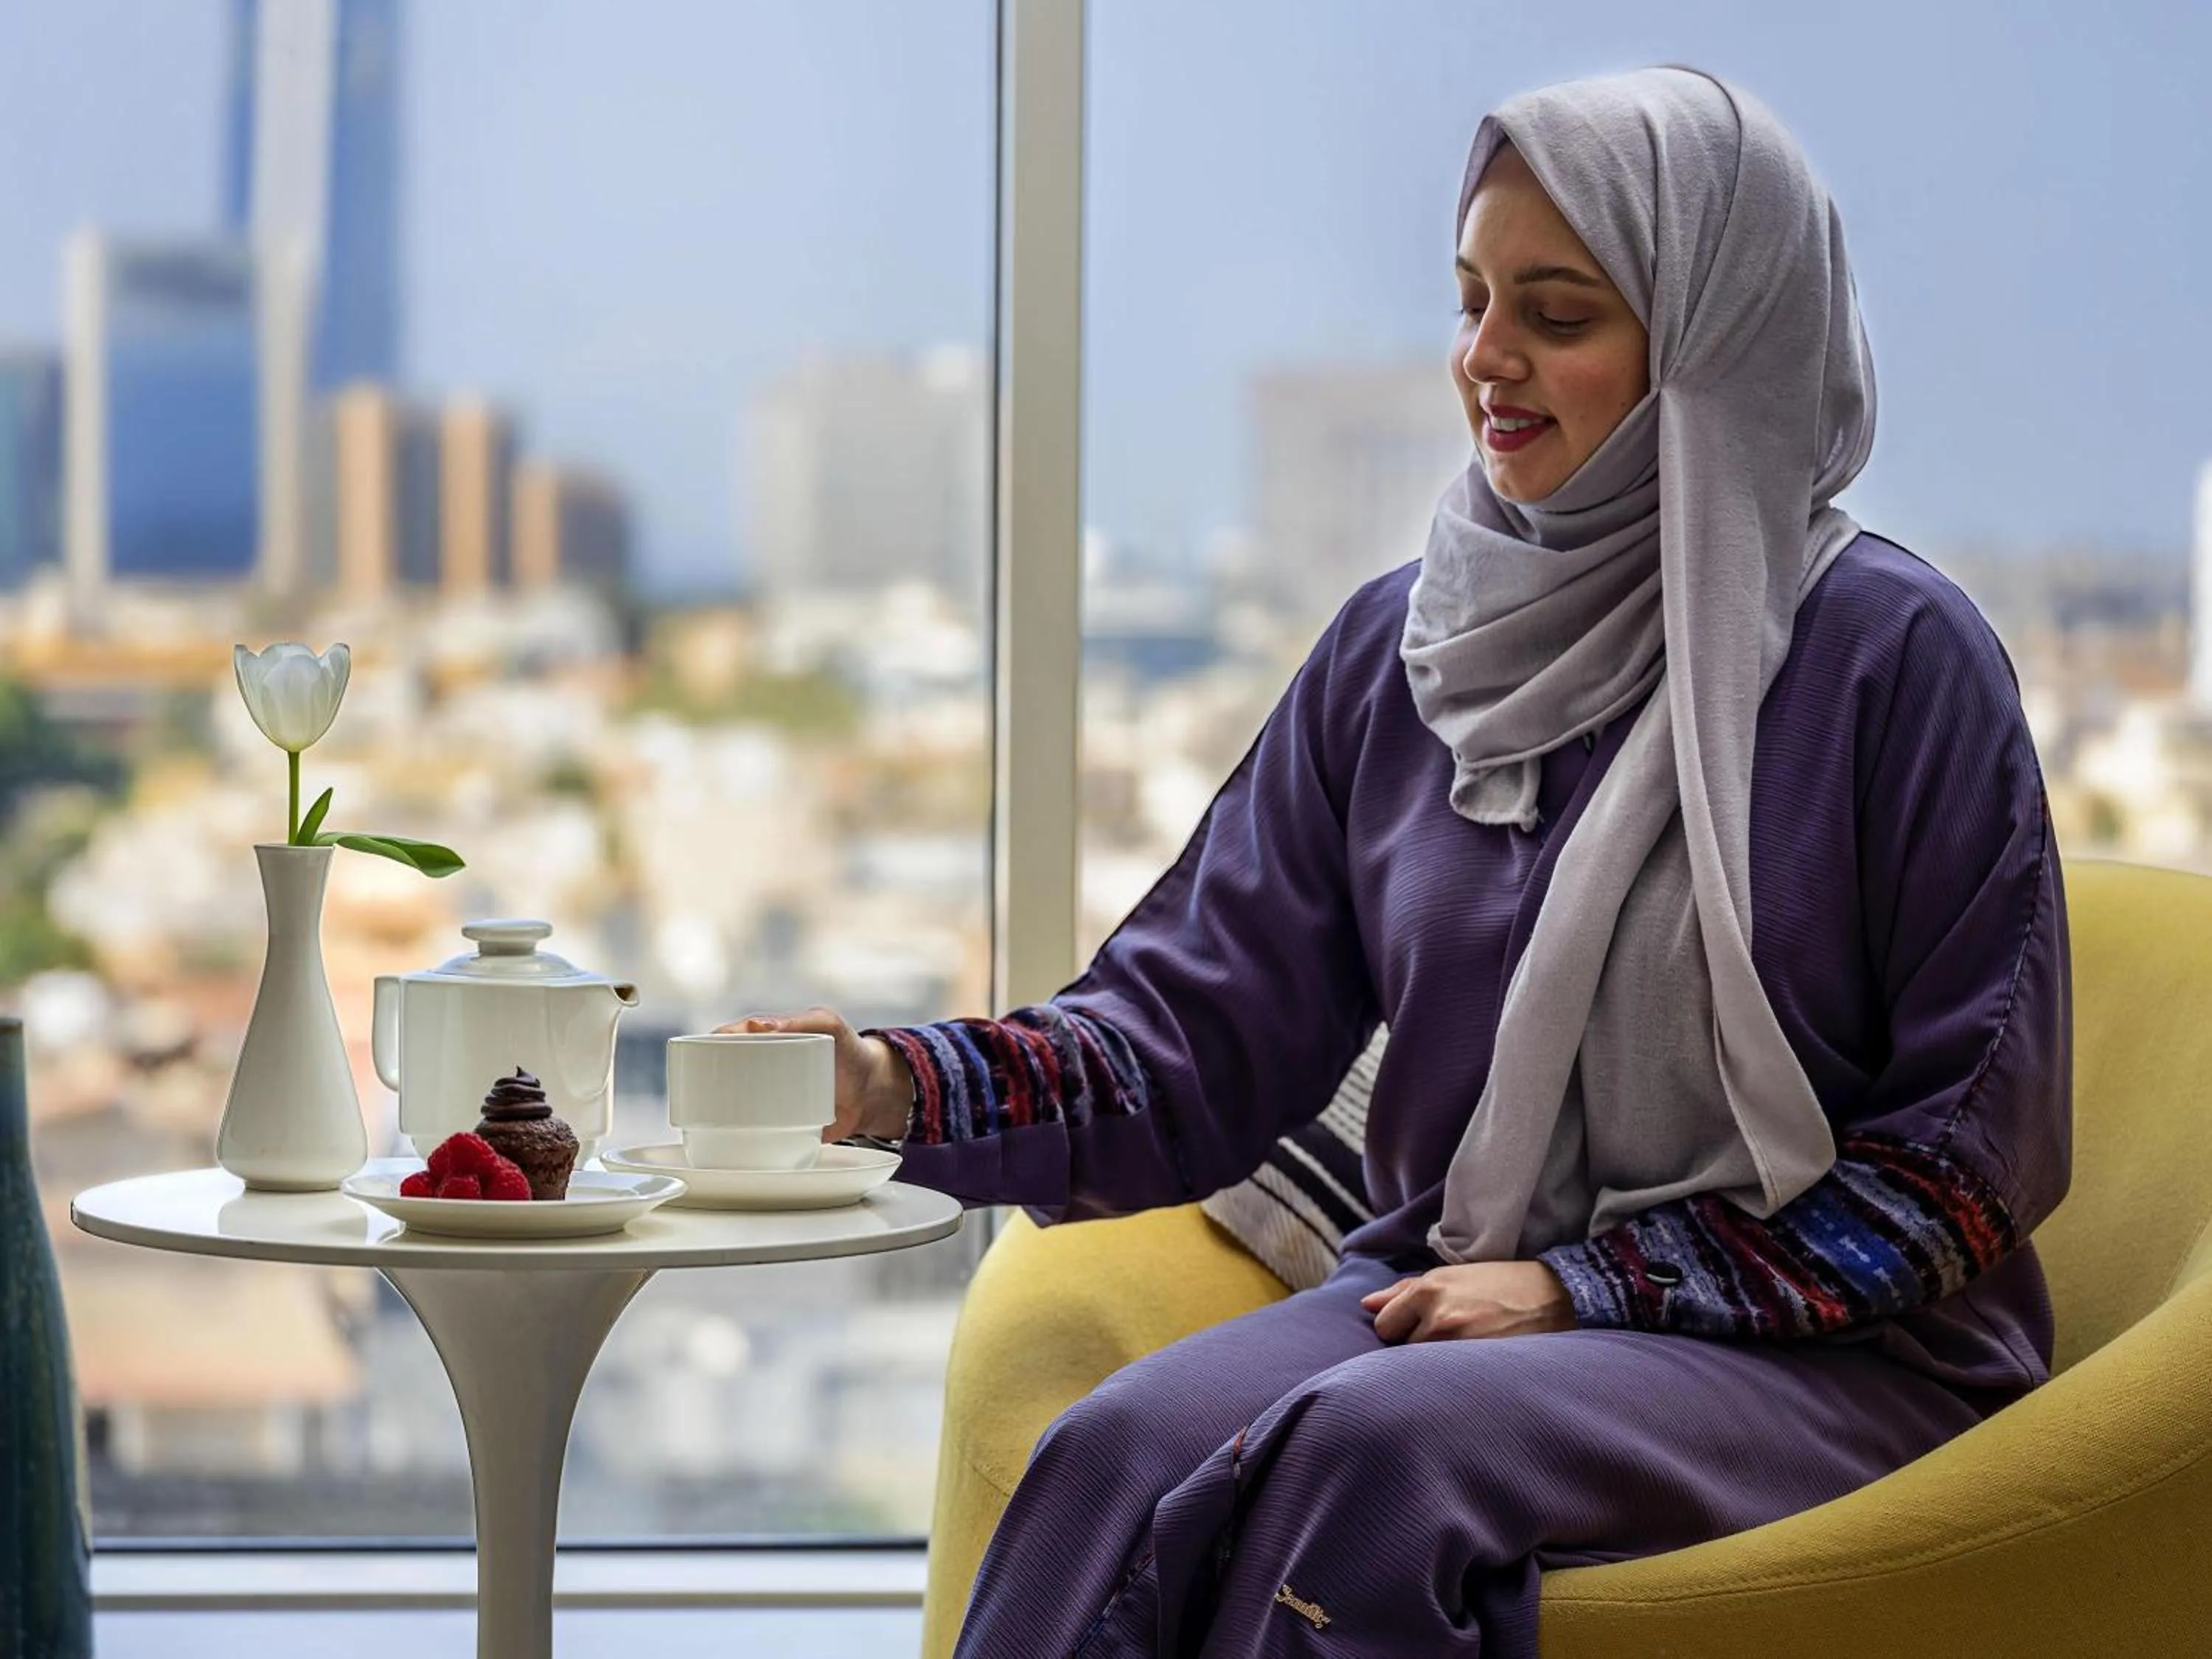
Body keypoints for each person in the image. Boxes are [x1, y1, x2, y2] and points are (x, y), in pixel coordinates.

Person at [723, 62, 2070, 1659]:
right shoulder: (1409, 653)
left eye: (1557, 314)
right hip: (1455, 1303)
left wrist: (1587, 1290)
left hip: (1844, 1358)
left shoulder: (1891, 663)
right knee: (1110, 1459)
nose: (1484, 361)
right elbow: (1188, 1040)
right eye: (1472, 299)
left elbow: (1957, 1170)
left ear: (1712, 344)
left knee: (1379, 1459)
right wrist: (889, 1085)